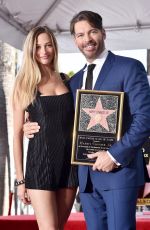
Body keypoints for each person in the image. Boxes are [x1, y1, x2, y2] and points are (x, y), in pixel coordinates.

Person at [23, 11, 150, 230]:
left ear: (103, 32)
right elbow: (62, 121)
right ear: (75, 40)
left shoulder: (129, 67)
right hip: (86, 179)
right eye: (80, 35)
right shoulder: (73, 82)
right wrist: (30, 124)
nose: (87, 39)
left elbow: (145, 118)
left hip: (119, 174)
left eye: (92, 32)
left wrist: (113, 155)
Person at [12, 26, 78, 230]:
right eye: (38, 46)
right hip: (40, 165)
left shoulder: (67, 79)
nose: (43, 51)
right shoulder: (24, 84)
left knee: (59, 227)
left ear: (54, 47)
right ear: (31, 50)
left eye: (48, 45)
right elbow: (16, 136)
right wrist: (20, 181)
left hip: (69, 166)